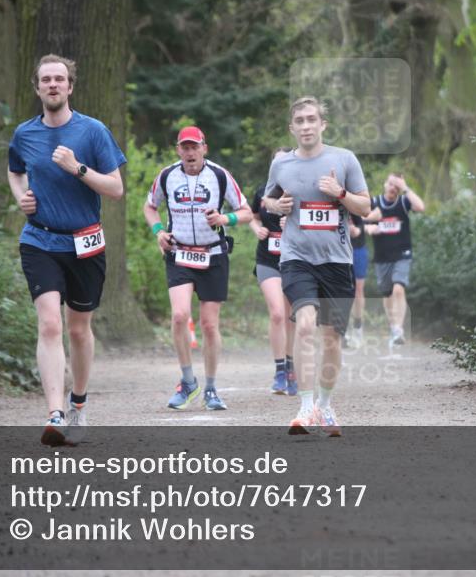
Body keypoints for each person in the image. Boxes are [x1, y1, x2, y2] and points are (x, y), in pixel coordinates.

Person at [7, 54, 126, 446]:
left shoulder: (93, 132)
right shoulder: (25, 134)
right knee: (50, 324)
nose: (53, 85)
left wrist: (77, 168)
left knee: (78, 329)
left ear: (70, 87)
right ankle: (54, 413)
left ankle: (78, 404)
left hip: (86, 241)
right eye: (46, 80)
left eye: (60, 79)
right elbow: (14, 168)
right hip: (39, 239)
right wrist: (22, 195)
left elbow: (116, 188)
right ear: (37, 88)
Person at [264, 96, 370, 436]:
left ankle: (324, 406)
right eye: (300, 121)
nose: (306, 126)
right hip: (297, 258)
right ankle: (305, 406)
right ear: (292, 128)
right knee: (305, 324)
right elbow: (267, 199)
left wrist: (339, 193)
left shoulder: (344, 159)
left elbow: (365, 207)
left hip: (337, 261)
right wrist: (277, 205)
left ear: (323, 124)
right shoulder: (281, 163)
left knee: (332, 340)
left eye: (312, 120)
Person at [144, 126, 252, 412]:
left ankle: (212, 388)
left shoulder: (219, 175)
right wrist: (158, 232)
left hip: (213, 255)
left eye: (195, 147)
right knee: (180, 316)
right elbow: (150, 207)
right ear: (178, 150)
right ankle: (188, 381)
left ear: (205, 147)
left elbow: (246, 211)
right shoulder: (167, 176)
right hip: (179, 253)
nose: (190, 152)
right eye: (185, 147)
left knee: (209, 324)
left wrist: (224, 217)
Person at [250, 149, 298, 396]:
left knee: (291, 317)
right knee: (278, 313)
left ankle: (291, 368)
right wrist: (256, 228)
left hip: (294, 261)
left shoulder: (299, 190)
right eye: (275, 160)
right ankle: (280, 370)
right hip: (267, 260)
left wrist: (292, 225)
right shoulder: (262, 191)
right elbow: (252, 216)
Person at [364, 172, 425, 350]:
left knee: (399, 288)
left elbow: (420, 207)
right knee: (387, 293)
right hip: (382, 256)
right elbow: (358, 219)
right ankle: (393, 327)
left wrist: (406, 188)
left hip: (402, 253)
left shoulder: (404, 202)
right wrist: (369, 227)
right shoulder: (375, 203)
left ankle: (399, 329)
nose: (392, 188)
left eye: (396, 185)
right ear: (384, 184)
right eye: (390, 184)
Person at [345, 212, 367, 349]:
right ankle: (343, 329)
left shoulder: (355, 199)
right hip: (337, 250)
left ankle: (358, 328)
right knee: (342, 291)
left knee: (358, 291)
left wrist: (355, 230)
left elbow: (360, 227)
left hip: (357, 249)